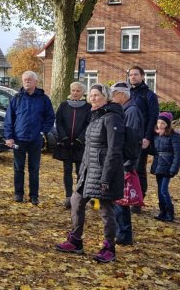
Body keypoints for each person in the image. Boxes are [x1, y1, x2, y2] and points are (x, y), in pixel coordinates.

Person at [55, 83, 124, 263]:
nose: (92, 98)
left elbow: (114, 150)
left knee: (105, 209)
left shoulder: (112, 118)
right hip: (89, 171)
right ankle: (76, 241)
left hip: (105, 173)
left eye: (96, 95)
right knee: (76, 200)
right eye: (91, 95)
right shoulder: (95, 116)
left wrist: (106, 177)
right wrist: (84, 169)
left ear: (106, 97)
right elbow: (89, 148)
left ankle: (109, 248)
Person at [4, 71, 55, 206]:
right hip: (19, 139)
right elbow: (9, 118)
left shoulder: (43, 99)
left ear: (35, 82)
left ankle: (34, 196)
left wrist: (43, 131)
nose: (26, 82)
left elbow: (50, 117)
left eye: (29, 80)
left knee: (34, 169)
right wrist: (9, 137)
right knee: (18, 168)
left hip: (35, 139)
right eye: (24, 80)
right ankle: (18, 194)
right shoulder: (17, 98)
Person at [110, 82, 145, 245]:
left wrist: (127, 163)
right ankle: (121, 232)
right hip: (122, 160)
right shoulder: (127, 109)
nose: (112, 98)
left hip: (125, 161)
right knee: (118, 200)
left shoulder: (131, 111)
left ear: (122, 95)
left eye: (113, 94)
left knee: (121, 200)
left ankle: (124, 234)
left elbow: (131, 139)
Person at [53, 81, 91, 209]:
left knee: (80, 172)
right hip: (65, 144)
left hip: (80, 145)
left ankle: (79, 197)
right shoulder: (63, 106)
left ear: (83, 93)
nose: (75, 93)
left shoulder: (87, 107)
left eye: (78, 91)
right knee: (67, 171)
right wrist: (63, 137)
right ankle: (68, 197)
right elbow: (59, 122)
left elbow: (88, 124)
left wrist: (80, 139)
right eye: (73, 90)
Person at [128, 66, 159, 213]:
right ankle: (128, 196)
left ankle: (138, 201)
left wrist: (147, 137)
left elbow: (153, 118)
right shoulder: (126, 93)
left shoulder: (149, 95)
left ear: (142, 76)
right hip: (127, 138)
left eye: (135, 74)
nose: (132, 77)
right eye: (131, 75)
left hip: (141, 138)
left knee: (139, 170)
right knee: (127, 169)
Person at [150, 112, 180, 222]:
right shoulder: (156, 135)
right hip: (158, 164)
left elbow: (178, 153)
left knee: (164, 190)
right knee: (159, 190)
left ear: (167, 124)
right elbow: (154, 150)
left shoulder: (174, 136)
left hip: (168, 166)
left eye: (163, 123)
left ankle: (170, 212)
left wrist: (174, 169)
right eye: (158, 122)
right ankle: (162, 211)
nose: (160, 125)